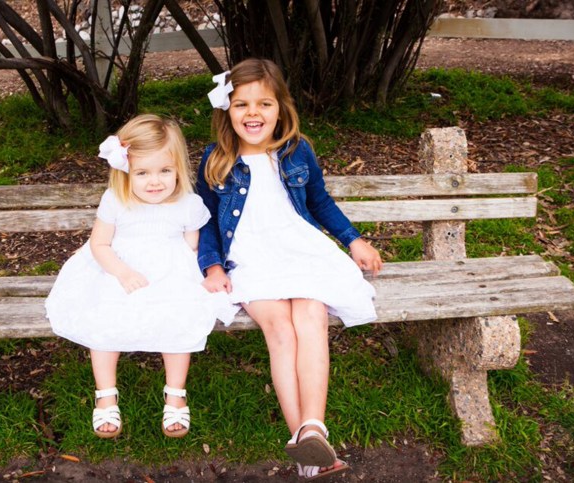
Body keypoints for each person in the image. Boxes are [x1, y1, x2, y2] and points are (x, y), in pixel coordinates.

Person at [197, 59, 383, 479]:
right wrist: (210, 266)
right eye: (242, 103)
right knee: (280, 329)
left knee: (311, 315)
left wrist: (353, 239)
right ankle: (303, 439)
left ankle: (312, 429)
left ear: (281, 107)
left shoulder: (297, 151)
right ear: (227, 109)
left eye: (264, 103)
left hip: (300, 252)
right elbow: (205, 220)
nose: (253, 113)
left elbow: (319, 202)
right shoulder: (216, 159)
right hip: (250, 260)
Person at [45, 114, 232, 440]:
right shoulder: (116, 201)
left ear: (178, 169)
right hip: (118, 267)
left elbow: (192, 246)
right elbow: (100, 244)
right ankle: (106, 393)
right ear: (125, 172)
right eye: (142, 173)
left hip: (171, 270)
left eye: (165, 171)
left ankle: (175, 393)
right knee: (102, 316)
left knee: (180, 317)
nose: (155, 181)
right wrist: (121, 272)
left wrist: (192, 275)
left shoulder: (188, 204)